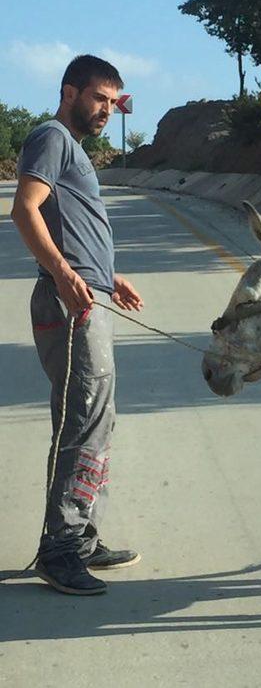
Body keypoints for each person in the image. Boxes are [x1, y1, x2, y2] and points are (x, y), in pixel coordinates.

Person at [11, 54, 144, 596]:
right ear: (69, 92)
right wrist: (64, 273)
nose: (107, 111)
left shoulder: (74, 150)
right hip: (70, 305)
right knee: (81, 418)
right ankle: (59, 549)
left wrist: (110, 276)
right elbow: (25, 209)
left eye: (114, 102)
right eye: (98, 98)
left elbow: (74, 225)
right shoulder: (52, 137)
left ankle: (82, 536)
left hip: (90, 296)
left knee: (97, 420)